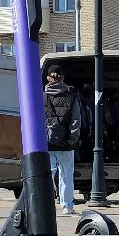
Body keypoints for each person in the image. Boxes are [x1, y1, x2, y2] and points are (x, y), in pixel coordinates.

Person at [42, 65, 80, 215]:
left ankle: (45, 205)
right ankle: (67, 206)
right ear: (63, 78)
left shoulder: (41, 96)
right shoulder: (71, 97)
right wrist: (72, 139)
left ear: (48, 78)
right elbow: (76, 120)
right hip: (65, 143)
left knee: (46, 175)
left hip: (46, 143)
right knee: (66, 176)